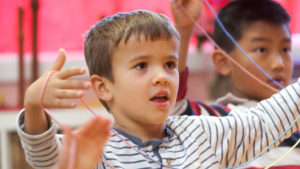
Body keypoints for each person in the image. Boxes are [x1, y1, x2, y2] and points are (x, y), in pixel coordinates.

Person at [17, 6, 300, 169]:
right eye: (142, 66)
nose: (163, 77)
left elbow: (264, 122)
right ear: (103, 88)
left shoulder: (200, 132)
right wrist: (32, 104)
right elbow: (45, 157)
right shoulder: (95, 149)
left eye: (169, 64)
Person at [174, 0, 300, 168]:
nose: (279, 64)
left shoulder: (295, 119)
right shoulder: (216, 119)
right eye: (261, 49)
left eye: (285, 50)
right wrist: (184, 29)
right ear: (224, 62)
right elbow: (173, 108)